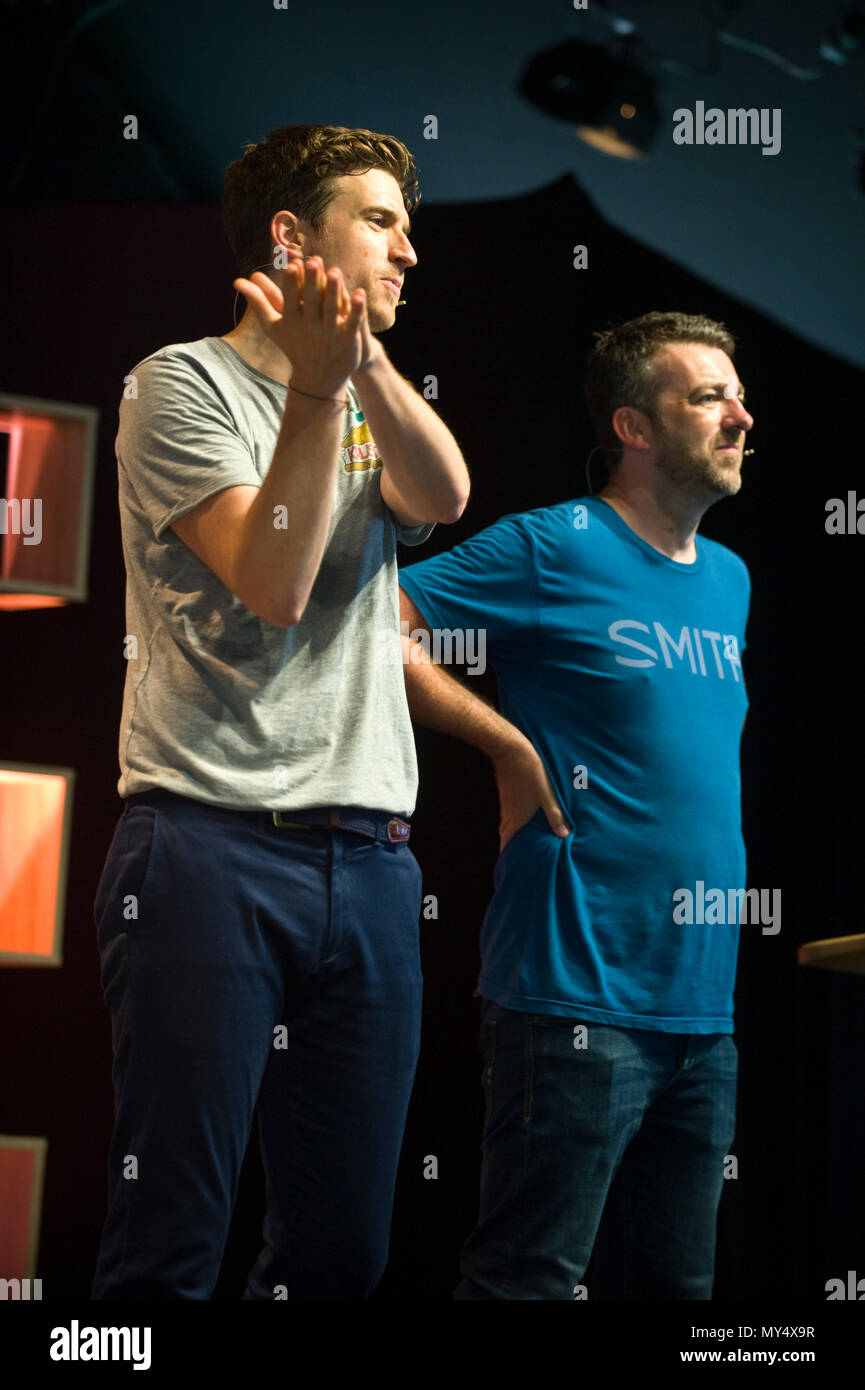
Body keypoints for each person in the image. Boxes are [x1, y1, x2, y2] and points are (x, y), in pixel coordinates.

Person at [91, 124, 469, 1300]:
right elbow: (277, 579)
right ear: (291, 237)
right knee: (172, 1245)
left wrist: (349, 362)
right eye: (381, 221)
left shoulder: (358, 393)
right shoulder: (176, 383)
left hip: (370, 862)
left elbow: (445, 491)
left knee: (339, 1259)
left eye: (408, 225)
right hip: (206, 845)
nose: (409, 249)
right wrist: (317, 382)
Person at [398, 311, 754, 1300]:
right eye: (708, 396)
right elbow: (374, 619)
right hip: (571, 1002)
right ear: (634, 428)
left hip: (701, 1014)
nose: (740, 416)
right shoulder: (552, 544)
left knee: (678, 1298)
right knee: (526, 1284)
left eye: (735, 394)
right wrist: (504, 743)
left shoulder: (730, 579)